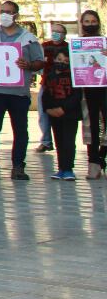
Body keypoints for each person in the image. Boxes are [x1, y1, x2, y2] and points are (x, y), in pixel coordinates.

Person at [0, 0, 44, 181]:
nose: (5, 14)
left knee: (20, 130)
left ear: (16, 15)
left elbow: (39, 62)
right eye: (2, 11)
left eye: (9, 12)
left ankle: (18, 166)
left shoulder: (28, 38)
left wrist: (28, 65)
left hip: (18, 92)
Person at [41, 38, 82, 180]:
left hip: (70, 115)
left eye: (66, 61)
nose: (62, 62)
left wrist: (63, 108)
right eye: (59, 59)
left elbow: (77, 96)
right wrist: (49, 109)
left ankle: (69, 168)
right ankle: (61, 168)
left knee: (69, 141)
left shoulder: (74, 77)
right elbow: (45, 95)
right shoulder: (50, 76)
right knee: (58, 141)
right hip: (54, 115)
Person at [79, 9, 106, 180]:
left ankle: (101, 156)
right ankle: (93, 163)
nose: (90, 24)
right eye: (86, 21)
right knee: (91, 127)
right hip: (86, 91)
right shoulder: (76, 44)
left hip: (104, 87)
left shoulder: (104, 42)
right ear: (82, 24)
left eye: (93, 21)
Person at [35, 22, 66, 154]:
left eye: (58, 31)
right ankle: (46, 142)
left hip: (64, 85)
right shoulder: (44, 46)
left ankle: (63, 142)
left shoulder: (68, 48)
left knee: (63, 114)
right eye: (53, 30)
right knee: (43, 114)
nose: (55, 33)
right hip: (46, 84)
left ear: (64, 34)